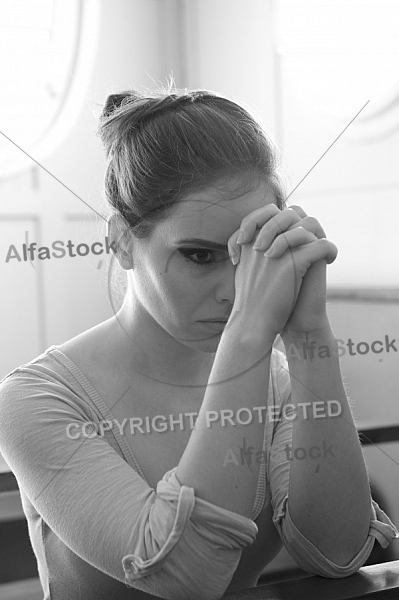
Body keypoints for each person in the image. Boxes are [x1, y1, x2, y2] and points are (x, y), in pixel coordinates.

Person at [0, 87, 397, 600]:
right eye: (200, 256)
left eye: (250, 252)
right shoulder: (34, 399)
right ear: (122, 241)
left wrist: (309, 335)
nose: (235, 289)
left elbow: (337, 552)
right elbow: (183, 576)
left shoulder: (277, 378)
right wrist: (250, 333)